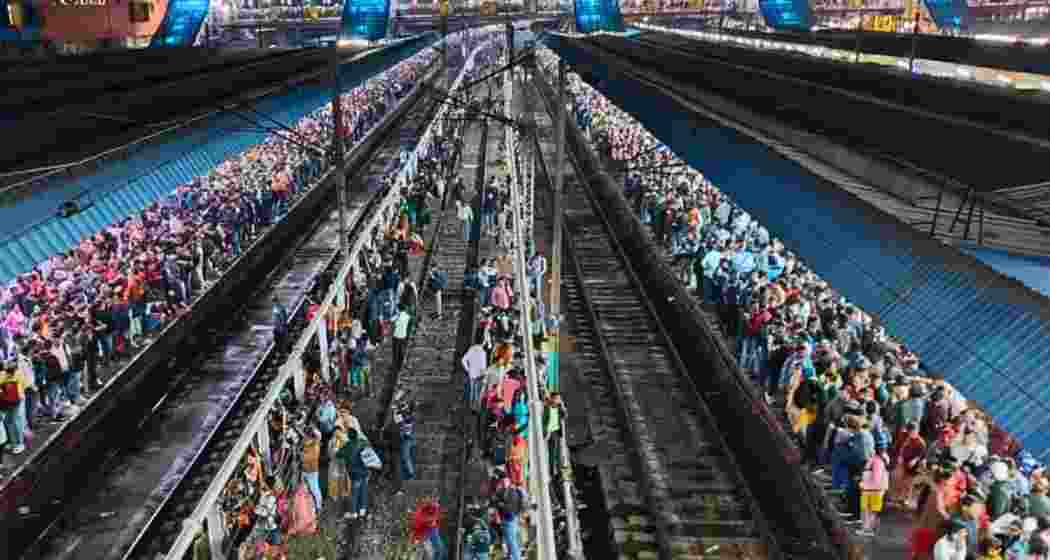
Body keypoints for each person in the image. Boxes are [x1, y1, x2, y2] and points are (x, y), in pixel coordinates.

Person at [302, 427, 323, 514]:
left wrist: (301, 455)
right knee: (305, 488)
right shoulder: (312, 442)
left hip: (311, 471)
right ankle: (308, 506)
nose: (304, 437)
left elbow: (307, 458)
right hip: (305, 470)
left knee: (315, 489)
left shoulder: (315, 446)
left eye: (306, 435)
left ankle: (318, 506)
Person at [392, 304, 411, 368]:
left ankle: (395, 364)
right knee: (402, 351)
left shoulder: (397, 316)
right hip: (403, 336)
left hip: (396, 336)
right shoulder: (407, 316)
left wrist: (396, 314)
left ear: (398, 309)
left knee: (395, 352)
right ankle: (402, 364)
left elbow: (391, 320)